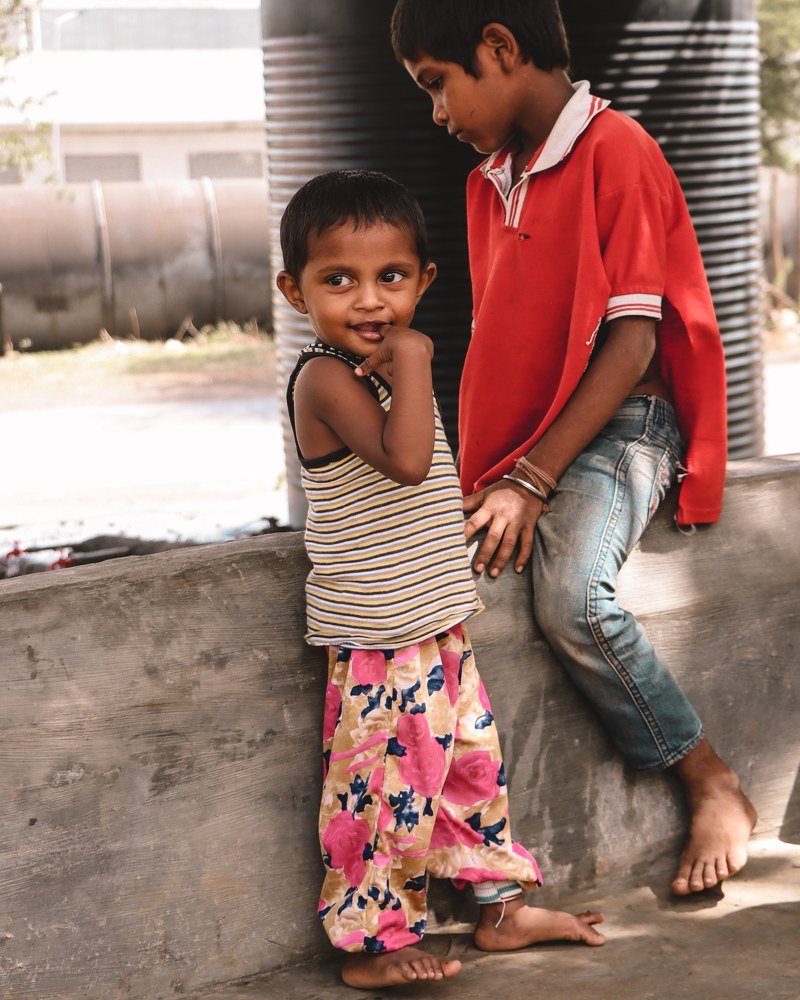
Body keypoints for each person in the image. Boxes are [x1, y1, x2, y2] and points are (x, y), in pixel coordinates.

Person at [390, 0, 757, 897]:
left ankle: (707, 775)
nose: (436, 114)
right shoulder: (489, 185)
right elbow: (509, 344)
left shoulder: (617, 147)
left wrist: (532, 478)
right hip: (531, 445)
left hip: (627, 426)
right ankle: (455, 858)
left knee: (573, 599)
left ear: (501, 48)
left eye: (439, 85)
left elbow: (632, 341)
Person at [277, 169, 605, 990]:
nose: (368, 301)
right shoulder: (326, 377)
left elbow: (424, 481)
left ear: (424, 279)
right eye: (338, 280)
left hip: (436, 626)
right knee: (383, 788)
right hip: (379, 638)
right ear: (294, 291)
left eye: (390, 276)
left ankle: (499, 909)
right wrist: (420, 354)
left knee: (470, 772)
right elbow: (406, 458)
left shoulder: (387, 372)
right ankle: (373, 944)